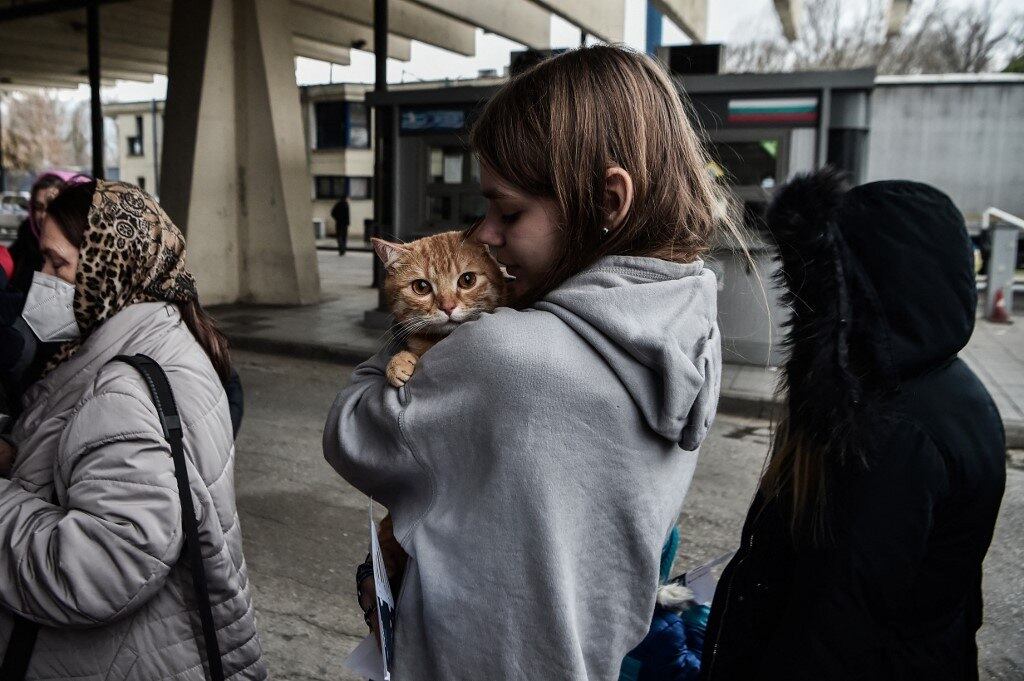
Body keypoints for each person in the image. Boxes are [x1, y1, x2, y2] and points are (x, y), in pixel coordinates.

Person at [324, 45, 733, 680]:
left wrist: (418, 320)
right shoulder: (687, 327)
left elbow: (351, 431)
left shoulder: (509, 357)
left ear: (607, 202)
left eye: (507, 210)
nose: (485, 233)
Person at [701, 170, 1006, 681]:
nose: (805, 303)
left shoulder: (892, 431)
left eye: (823, 283)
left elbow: (834, 625)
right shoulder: (944, 390)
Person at [0, 180, 267, 679]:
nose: (42, 279)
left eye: (58, 264)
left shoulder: (125, 390)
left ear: (109, 266)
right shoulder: (158, 339)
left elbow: (96, 570)